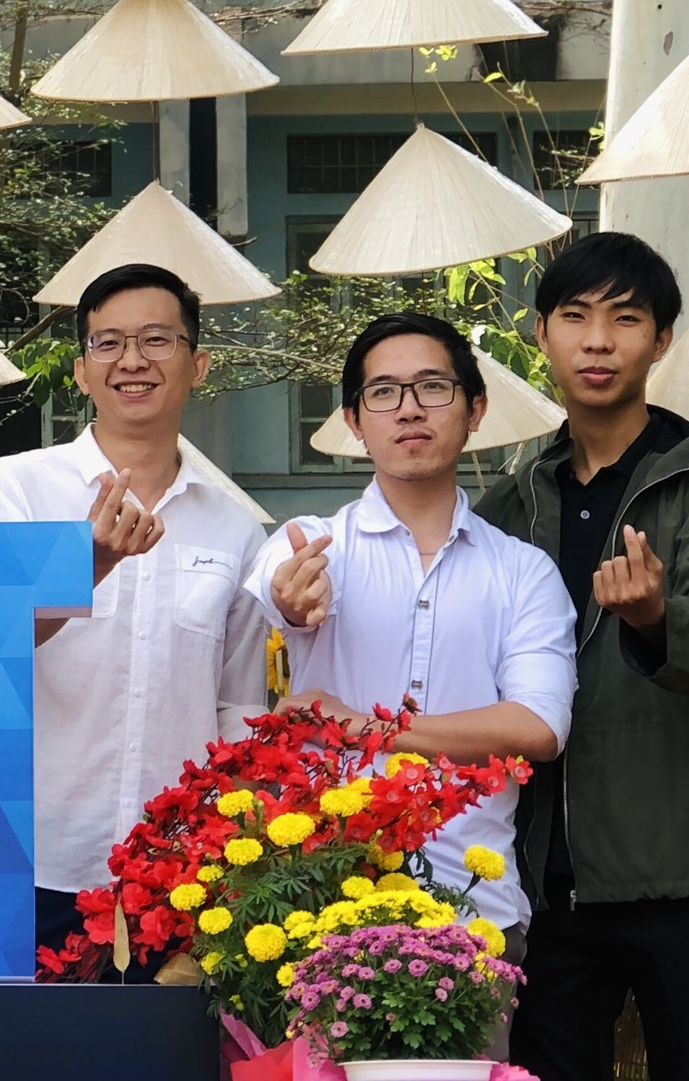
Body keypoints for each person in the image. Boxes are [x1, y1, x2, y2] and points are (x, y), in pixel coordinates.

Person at [472, 232, 689, 1081]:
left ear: (661, 339)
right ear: (541, 333)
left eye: (626, 319)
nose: (598, 341)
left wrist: (652, 615)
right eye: (575, 317)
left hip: (679, 869)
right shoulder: (513, 502)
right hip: (541, 877)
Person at [0, 262, 272, 977]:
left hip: (178, 874)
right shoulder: (16, 488)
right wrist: (87, 566)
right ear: (81, 370)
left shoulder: (235, 528)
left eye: (157, 340)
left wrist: (237, 852)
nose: (132, 360)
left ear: (198, 365)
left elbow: (237, 707)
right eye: (108, 343)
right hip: (26, 855)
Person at [242, 315, 573, 967]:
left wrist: (368, 728)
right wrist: (295, 603)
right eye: (384, 392)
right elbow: (286, 597)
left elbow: (538, 727)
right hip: (321, 904)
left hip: (473, 913)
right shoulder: (311, 544)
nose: (410, 409)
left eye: (433, 387)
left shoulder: (522, 572)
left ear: (475, 409)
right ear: (354, 421)